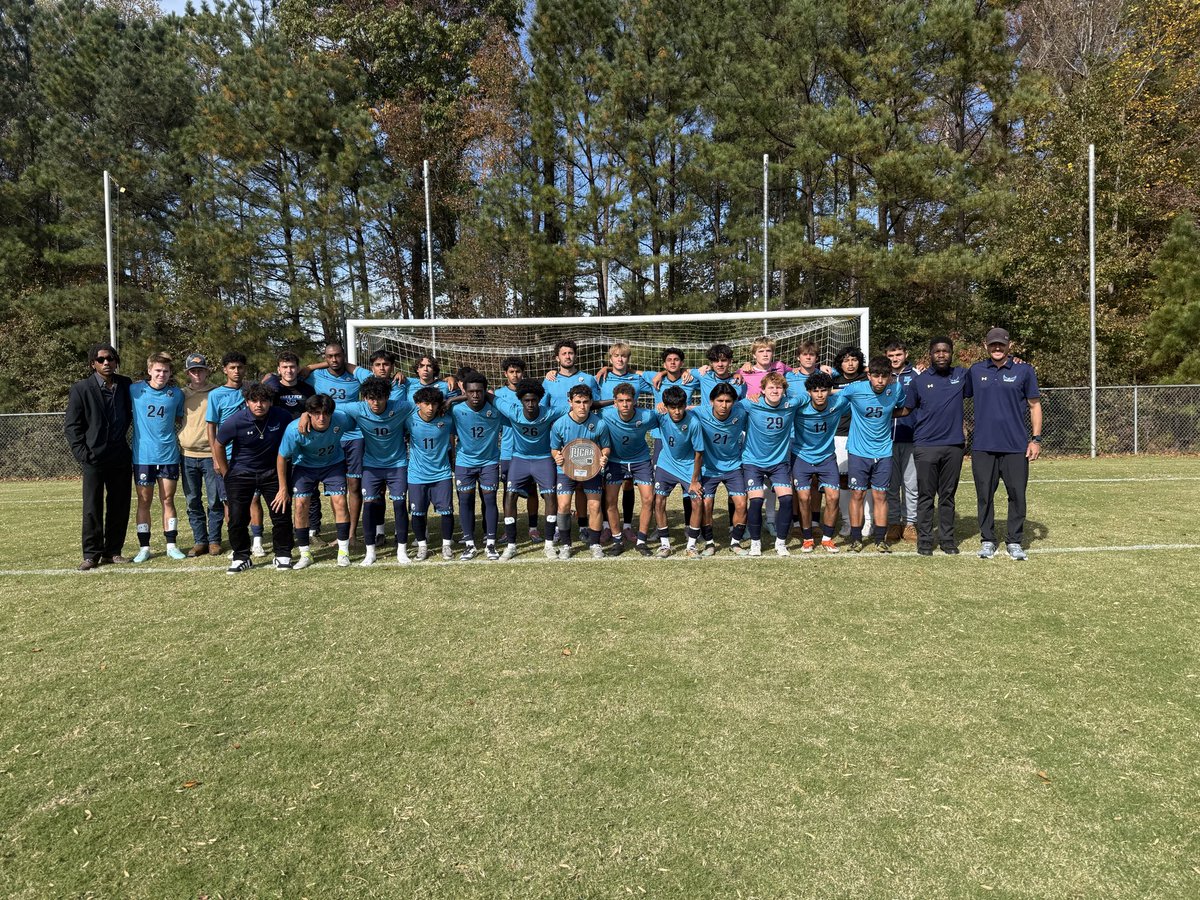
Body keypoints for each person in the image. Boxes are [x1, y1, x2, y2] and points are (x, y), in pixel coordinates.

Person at [967, 327, 1043, 561]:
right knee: (984, 495)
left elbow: (1034, 405)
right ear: (985, 346)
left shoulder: (1024, 370)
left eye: (1001, 344)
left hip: (1016, 446)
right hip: (983, 446)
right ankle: (988, 540)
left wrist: (1036, 439)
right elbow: (950, 388)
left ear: (1010, 345)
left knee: (1017, 495)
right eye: (993, 344)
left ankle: (1014, 541)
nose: (997, 348)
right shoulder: (976, 370)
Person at [64, 342, 133, 570]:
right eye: (101, 359)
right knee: (92, 507)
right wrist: (83, 454)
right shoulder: (81, 389)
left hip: (120, 457)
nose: (107, 363)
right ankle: (91, 554)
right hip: (93, 458)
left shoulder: (125, 384)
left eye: (111, 358)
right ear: (93, 363)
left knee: (119, 505)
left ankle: (113, 551)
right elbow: (72, 426)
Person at [215, 382, 294, 572]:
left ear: (271, 402)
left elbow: (295, 429)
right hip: (241, 473)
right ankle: (241, 556)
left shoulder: (282, 416)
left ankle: (282, 554)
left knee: (281, 514)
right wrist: (227, 474)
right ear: (247, 402)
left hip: (272, 473)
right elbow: (218, 444)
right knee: (237, 518)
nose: (259, 404)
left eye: (264, 400)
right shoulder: (235, 421)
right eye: (254, 400)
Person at [838, 356, 911, 552]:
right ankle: (856, 538)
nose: (880, 381)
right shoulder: (855, 389)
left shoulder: (896, 389)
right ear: (868, 375)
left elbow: (903, 409)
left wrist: (886, 414)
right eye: (876, 376)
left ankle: (880, 539)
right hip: (858, 451)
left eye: (884, 376)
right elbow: (835, 399)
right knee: (858, 494)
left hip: (884, 451)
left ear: (890, 377)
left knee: (880, 495)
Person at [338, 376, 413, 565]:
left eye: (379, 398)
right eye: (371, 398)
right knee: (369, 506)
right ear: (365, 398)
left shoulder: (401, 406)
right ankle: (370, 552)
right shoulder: (357, 408)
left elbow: (427, 405)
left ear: (387, 396)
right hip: (371, 466)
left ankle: (402, 550)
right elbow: (329, 407)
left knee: (399, 505)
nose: (375, 402)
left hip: (397, 465)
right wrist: (306, 415)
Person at [276, 394, 353, 569]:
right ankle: (305, 554)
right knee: (301, 504)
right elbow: (282, 457)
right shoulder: (295, 429)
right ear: (309, 413)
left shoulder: (341, 419)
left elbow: (359, 420)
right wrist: (282, 487)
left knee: (340, 501)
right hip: (304, 467)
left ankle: (343, 552)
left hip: (333, 464)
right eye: (316, 413)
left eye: (326, 413)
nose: (321, 417)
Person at [908, 337, 969, 556]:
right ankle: (924, 540)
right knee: (925, 496)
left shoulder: (962, 375)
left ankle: (947, 539)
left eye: (945, 351)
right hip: (925, 446)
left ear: (951, 353)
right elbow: (906, 409)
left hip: (954, 446)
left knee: (947, 495)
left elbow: (987, 377)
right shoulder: (920, 381)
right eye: (937, 351)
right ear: (930, 354)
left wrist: (1015, 360)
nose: (941, 355)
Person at [303, 343, 365, 547]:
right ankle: (341, 533)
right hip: (330, 437)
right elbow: (300, 372)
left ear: (344, 356)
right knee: (336, 488)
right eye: (330, 356)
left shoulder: (355, 377)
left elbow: (374, 378)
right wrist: (319, 364)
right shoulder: (317, 376)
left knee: (354, 485)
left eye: (338, 356)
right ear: (325, 357)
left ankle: (352, 534)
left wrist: (348, 366)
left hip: (354, 436)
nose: (334, 360)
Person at [496, 379, 561, 560]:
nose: (530, 404)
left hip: (543, 459)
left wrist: (612, 402)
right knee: (510, 495)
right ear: (521, 400)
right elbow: (488, 397)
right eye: (526, 400)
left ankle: (549, 544)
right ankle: (511, 545)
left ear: (540, 399)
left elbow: (581, 407)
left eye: (534, 400)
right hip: (519, 459)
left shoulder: (549, 413)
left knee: (550, 495)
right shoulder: (513, 412)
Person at [130, 352, 186, 562]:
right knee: (144, 501)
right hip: (143, 456)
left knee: (168, 499)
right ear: (149, 371)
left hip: (169, 455)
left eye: (165, 371)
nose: (161, 374)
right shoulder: (135, 390)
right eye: (158, 370)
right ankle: (144, 547)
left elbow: (181, 418)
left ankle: (171, 545)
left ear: (170, 373)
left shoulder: (176, 394)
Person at [738, 372, 801, 556]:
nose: (775, 390)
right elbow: (725, 407)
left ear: (784, 390)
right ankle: (755, 543)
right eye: (771, 387)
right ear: (763, 390)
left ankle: (780, 543)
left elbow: (811, 396)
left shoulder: (791, 403)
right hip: (753, 462)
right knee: (756, 501)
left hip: (779, 462)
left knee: (787, 499)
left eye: (779, 387)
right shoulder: (751, 403)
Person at [549, 384, 612, 559]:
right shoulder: (559, 424)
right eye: (578, 402)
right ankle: (566, 545)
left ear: (591, 402)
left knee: (595, 506)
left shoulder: (599, 424)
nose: (582, 406)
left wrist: (604, 456)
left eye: (585, 402)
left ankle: (595, 544)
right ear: (570, 402)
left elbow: (606, 447)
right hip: (566, 469)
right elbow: (554, 448)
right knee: (563, 505)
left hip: (591, 469)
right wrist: (557, 457)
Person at [449, 371, 506, 560]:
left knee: (489, 501)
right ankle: (469, 544)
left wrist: (492, 396)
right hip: (464, 463)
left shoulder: (496, 410)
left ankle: (490, 544)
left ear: (485, 392)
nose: (475, 395)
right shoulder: (456, 410)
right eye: (471, 392)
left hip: (489, 462)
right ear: (465, 391)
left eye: (479, 392)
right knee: (465, 502)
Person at [598, 382, 657, 557]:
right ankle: (617, 540)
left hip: (641, 460)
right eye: (621, 401)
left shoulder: (647, 416)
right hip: (615, 461)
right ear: (614, 402)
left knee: (648, 499)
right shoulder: (605, 414)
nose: (625, 404)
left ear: (635, 401)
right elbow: (589, 405)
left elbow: (666, 419)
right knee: (610, 501)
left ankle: (641, 541)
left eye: (628, 400)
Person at [792, 371, 848, 553]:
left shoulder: (838, 403)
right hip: (802, 457)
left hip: (826, 458)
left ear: (829, 391)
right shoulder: (800, 406)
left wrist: (865, 370)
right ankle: (807, 538)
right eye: (815, 391)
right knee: (804, 497)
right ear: (809, 392)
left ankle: (827, 538)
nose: (820, 394)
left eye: (824, 390)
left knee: (833, 497)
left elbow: (855, 391)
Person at [693, 382, 748, 557]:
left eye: (728, 401)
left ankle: (736, 542)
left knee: (741, 503)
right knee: (706, 504)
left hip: (733, 466)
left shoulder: (741, 412)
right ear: (711, 401)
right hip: (709, 468)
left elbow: (760, 402)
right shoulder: (700, 412)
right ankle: (709, 542)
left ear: (734, 402)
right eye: (720, 401)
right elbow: (681, 409)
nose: (724, 405)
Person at [179, 353, 224, 557]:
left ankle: (214, 540)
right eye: (193, 370)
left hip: (211, 454)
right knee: (192, 500)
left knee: (215, 500)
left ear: (207, 371)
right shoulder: (181, 394)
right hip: (187, 455)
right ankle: (199, 541)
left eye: (200, 370)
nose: (197, 374)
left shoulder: (216, 392)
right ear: (188, 373)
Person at [405, 386, 457, 561]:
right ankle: (422, 546)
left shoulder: (447, 420)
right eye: (426, 404)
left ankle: (446, 546)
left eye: (434, 404)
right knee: (417, 512)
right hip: (416, 475)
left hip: (441, 473)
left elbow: (467, 398)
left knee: (447, 512)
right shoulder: (408, 420)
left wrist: (449, 400)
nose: (430, 408)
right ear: (418, 404)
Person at [651, 386, 703, 558]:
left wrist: (695, 480)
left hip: (688, 466)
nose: (677, 411)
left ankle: (692, 546)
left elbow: (699, 453)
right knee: (658, 501)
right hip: (666, 464)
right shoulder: (661, 416)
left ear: (685, 405)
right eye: (673, 407)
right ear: (666, 407)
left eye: (681, 407)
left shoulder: (693, 423)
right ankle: (665, 545)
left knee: (697, 502)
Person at [205, 351, 248, 545]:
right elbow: (211, 426)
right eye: (232, 367)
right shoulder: (216, 394)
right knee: (229, 501)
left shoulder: (250, 391)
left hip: (248, 455)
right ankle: (235, 540)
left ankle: (254, 537)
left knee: (251, 500)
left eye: (239, 367)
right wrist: (215, 457)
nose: (236, 371)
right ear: (225, 370)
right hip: (227, 456)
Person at [496, 356, 541, 543]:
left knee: (532, 491)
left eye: (518, 371)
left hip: (530, 451)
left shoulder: (530, 393)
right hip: (508, 451)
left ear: (523, 373)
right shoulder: (497, 394)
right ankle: (509, 529)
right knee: (509, 492)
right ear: (505, 374)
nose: (515, 375)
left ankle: (533, 528)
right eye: (511, 372)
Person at [831, 346, 871, 536]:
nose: (850, 363)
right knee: (843, 480)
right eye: (846, 360)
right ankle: (847, 521)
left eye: (854, 360)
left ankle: (869, 521)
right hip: (839, 434)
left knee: (867, 481)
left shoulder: (867, 378)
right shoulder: (833, 380)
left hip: (863, 435)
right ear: (840, 363)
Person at [884, 340, 919, 542]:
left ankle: (910, 523)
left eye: (898, 355)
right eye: (891, 356)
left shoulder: (917, 375)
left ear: (905, 354)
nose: (895, 359)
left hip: (911, 438)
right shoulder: (881, 376)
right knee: (891, 484)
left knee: (911, 484)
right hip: (886, 439)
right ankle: (894, 522)